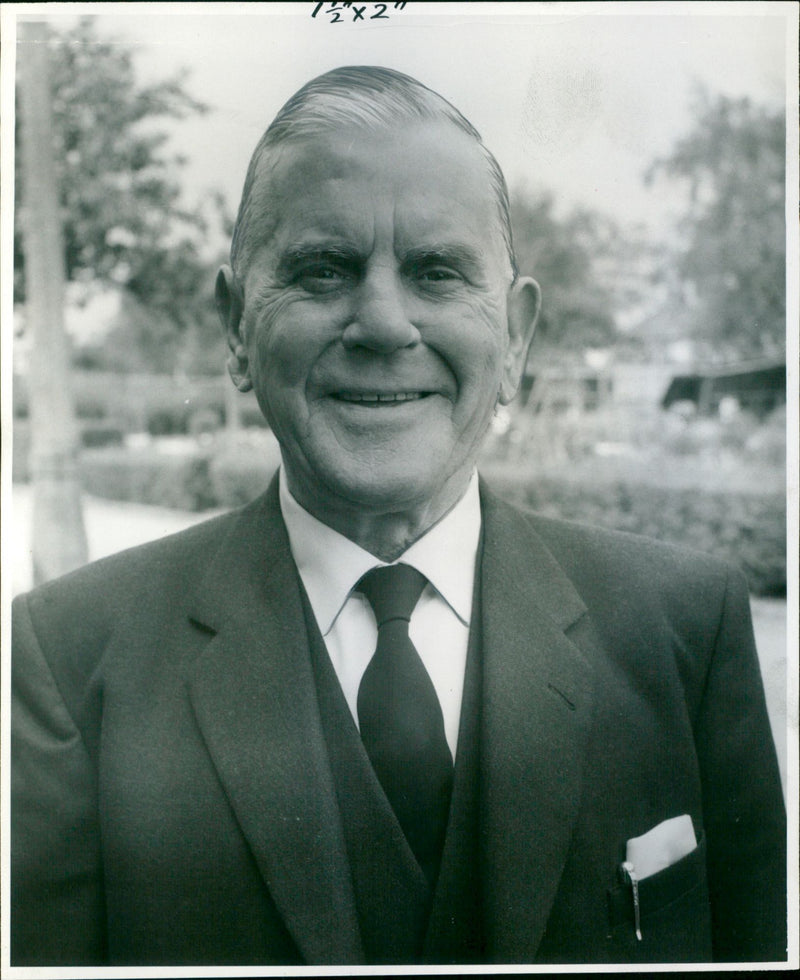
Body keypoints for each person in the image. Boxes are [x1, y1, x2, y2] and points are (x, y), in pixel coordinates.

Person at [11, 66, 786, 967]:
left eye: (436, 271)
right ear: (234, 327)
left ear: (518, 337)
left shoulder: (686, 631)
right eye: (323, 269)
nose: (383, 322)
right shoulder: (70, 662)